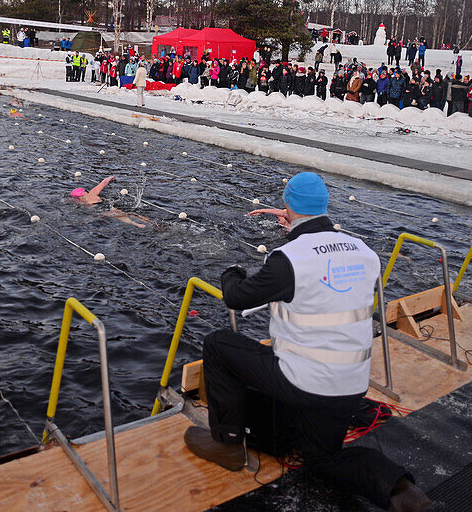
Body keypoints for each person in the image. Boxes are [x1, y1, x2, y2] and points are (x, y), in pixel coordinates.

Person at [184, 173, 432, 511]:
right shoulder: (365, 252)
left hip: (305, 382)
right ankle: (400, 490)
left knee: (218, 345)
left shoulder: (289, 259)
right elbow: (329, 287)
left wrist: (232, 270)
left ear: (287, 206)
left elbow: (236, 297)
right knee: (322, 459)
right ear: (325, 205)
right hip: (351, 385)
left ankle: (227, 444)